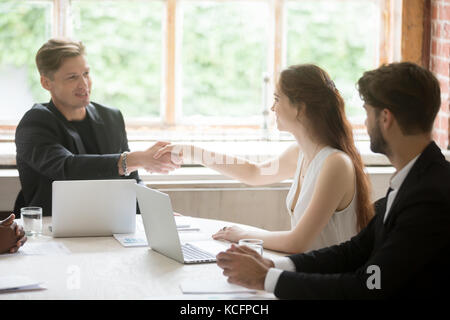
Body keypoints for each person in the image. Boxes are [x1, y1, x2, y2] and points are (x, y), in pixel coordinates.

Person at [216, 61, 450, 299]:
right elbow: (353, 252)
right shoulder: (413, 179)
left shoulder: (428, 195)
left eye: (368, 112)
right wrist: (272, 266)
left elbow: (371, 283)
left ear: (385, 118)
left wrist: (267, 279)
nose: (365, 124)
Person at [154, 64, 373, 254]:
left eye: (277, 99)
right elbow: (254, 173)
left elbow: (297, 241)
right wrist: (191, 152)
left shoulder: (336, 164)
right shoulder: (299, 154)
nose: (272, 107)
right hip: (309, 273)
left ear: (300, 108)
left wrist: (242, 234)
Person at [15, 38, 180, 216]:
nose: (84, 84)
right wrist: (133, 159)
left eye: (86, 73)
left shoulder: (111, 117)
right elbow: (66, 168)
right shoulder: (35, 122)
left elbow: (131, 181)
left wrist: (156, 212)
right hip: (52, 229)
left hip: (109, 225)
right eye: (72, 77)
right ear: (46, 83)